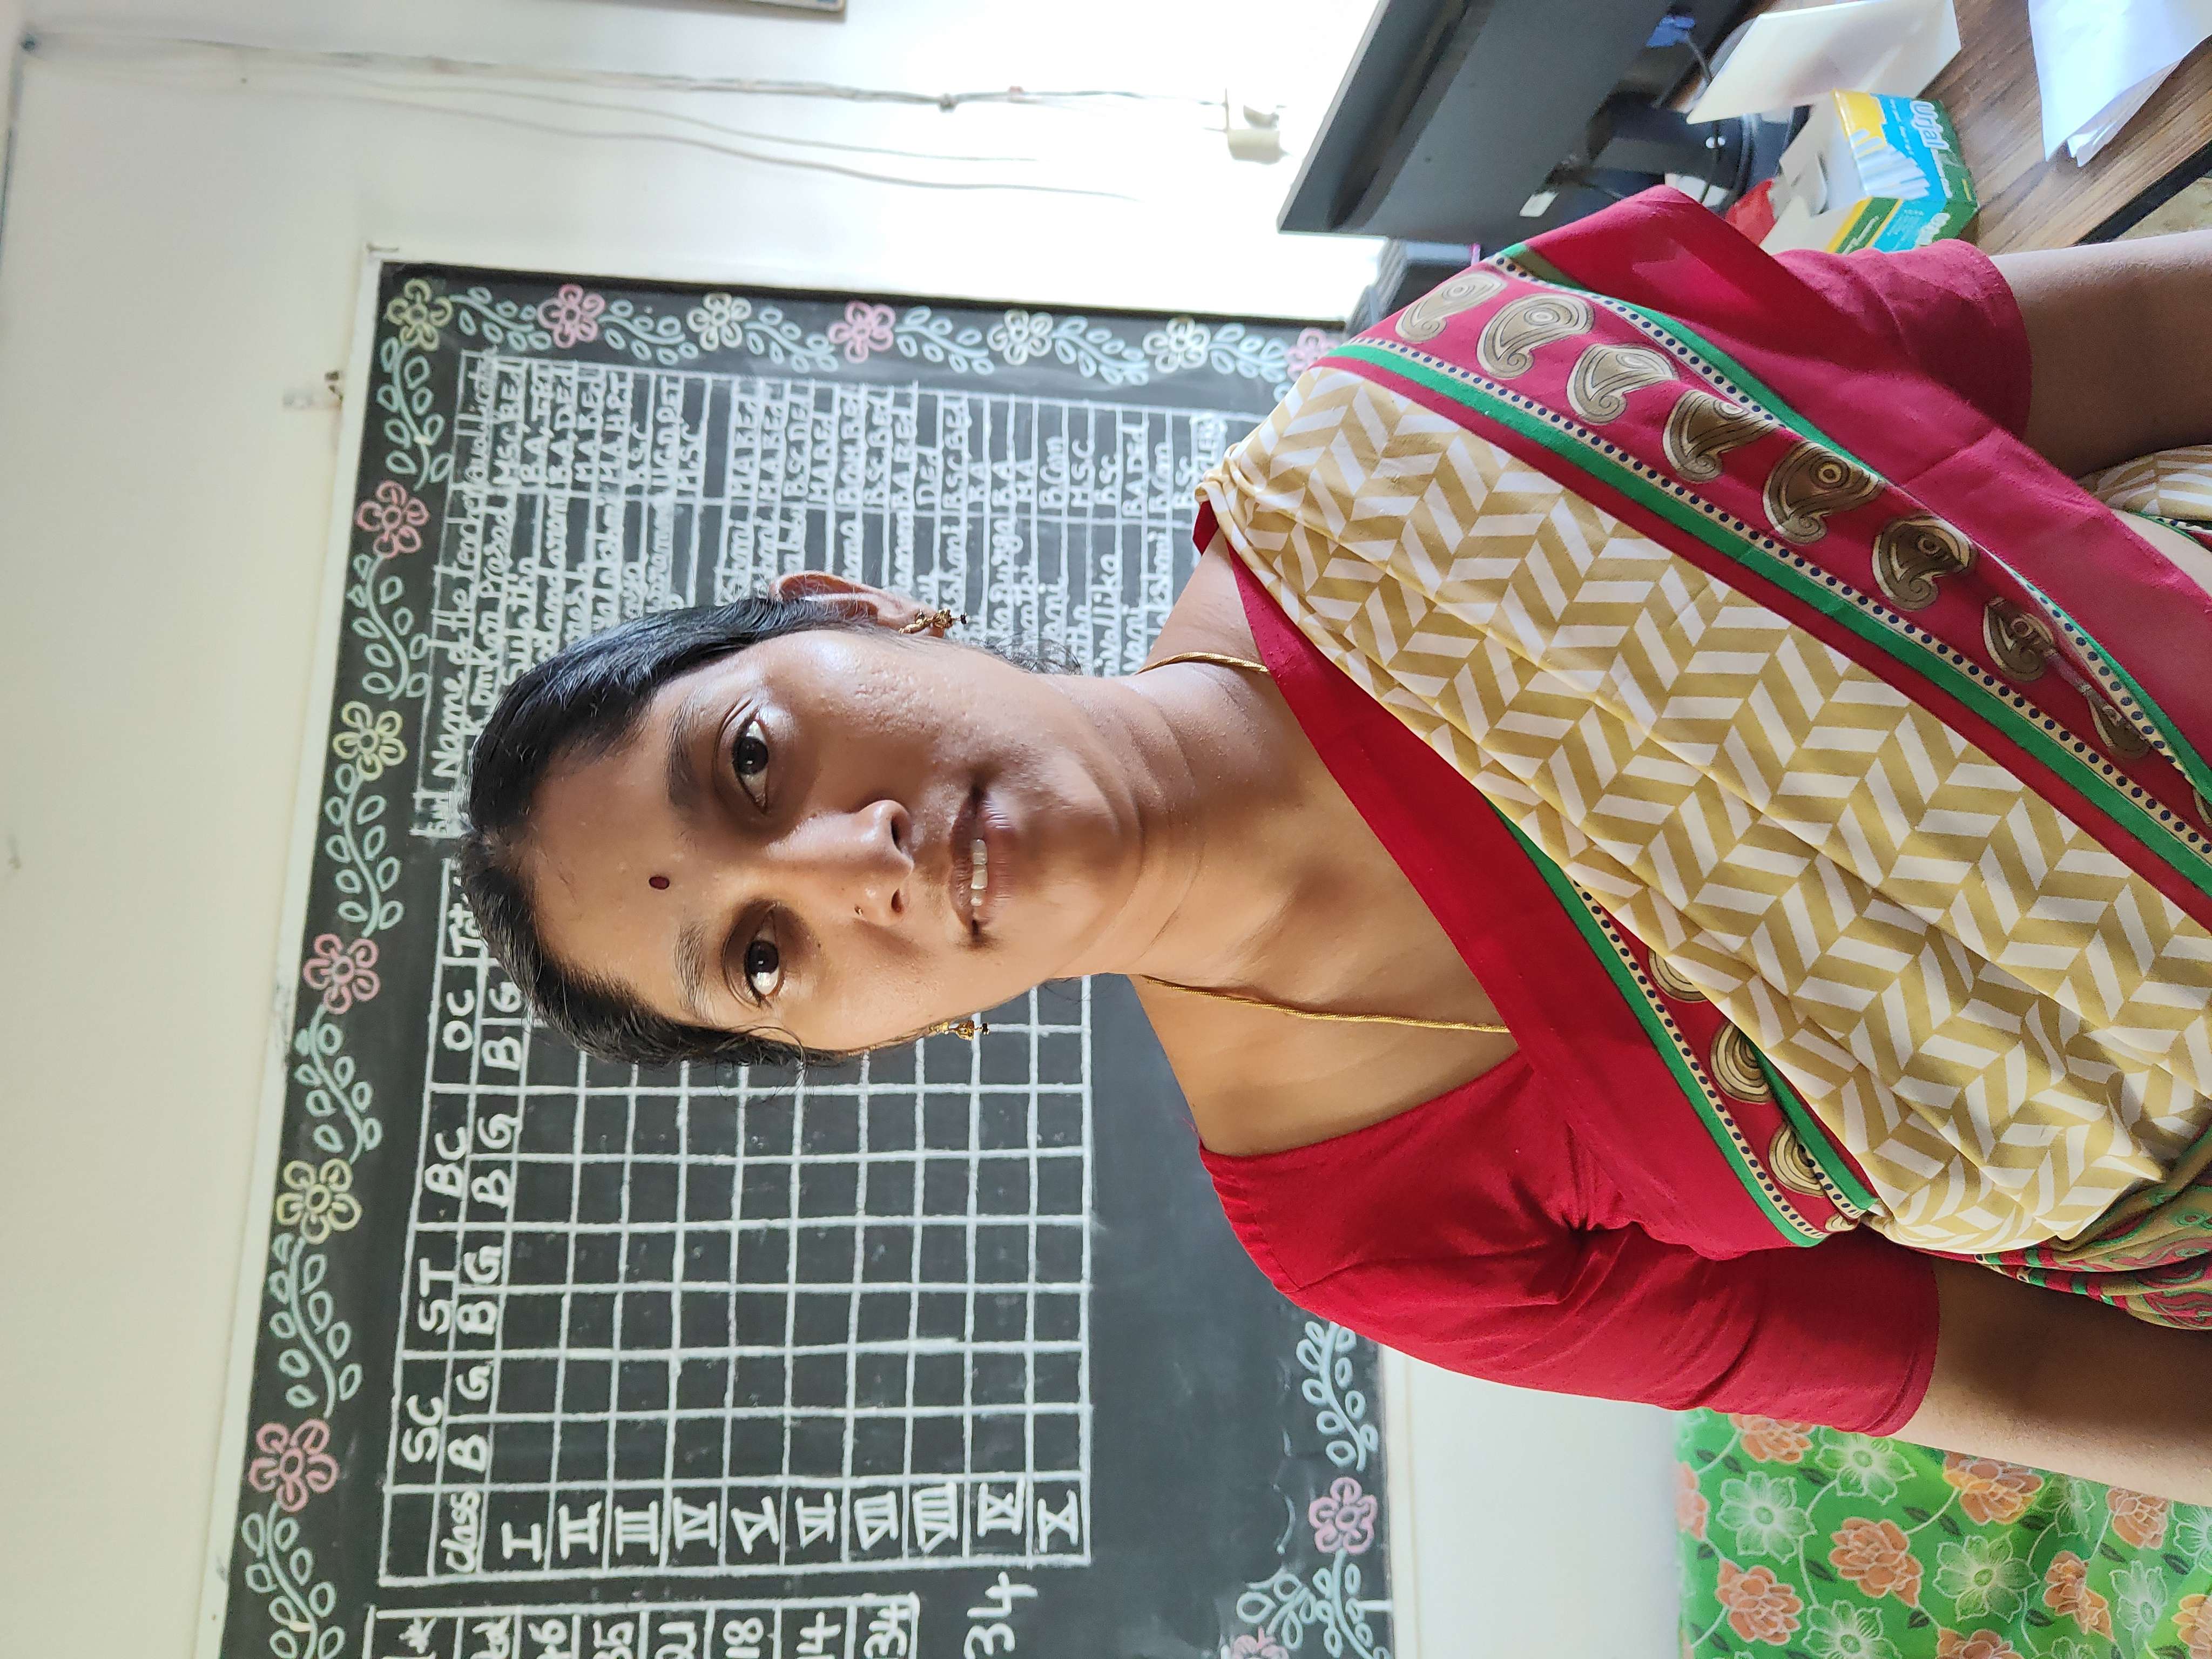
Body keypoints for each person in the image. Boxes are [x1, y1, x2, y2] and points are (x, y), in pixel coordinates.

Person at [459, 190, 2212, 1501]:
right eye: (765, 957)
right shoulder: (1368, 1223)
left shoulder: (1447, 415)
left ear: (853, 610)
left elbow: (2133, 342)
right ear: (860, 1041)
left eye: (753, 762)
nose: (859, 868)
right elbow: (1999, 1368)